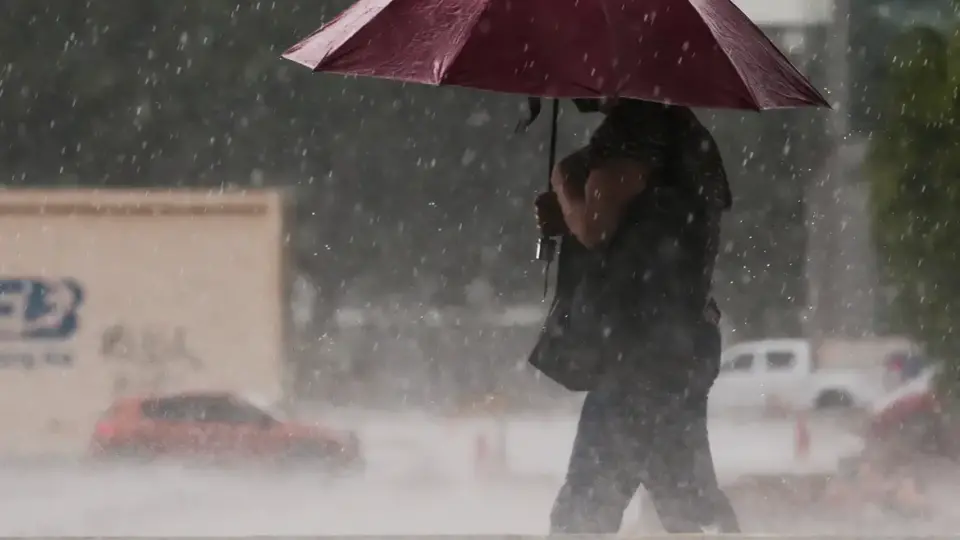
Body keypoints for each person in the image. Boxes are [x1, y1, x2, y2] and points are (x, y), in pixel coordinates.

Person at [533, 98, 740, 534]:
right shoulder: (685, 131)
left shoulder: (636, 127)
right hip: (678, 343)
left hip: (639, 351)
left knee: (584, 510)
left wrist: (565, 188)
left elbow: (595, 225)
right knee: (688, 502)